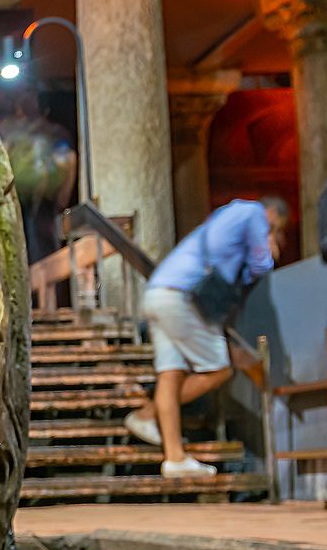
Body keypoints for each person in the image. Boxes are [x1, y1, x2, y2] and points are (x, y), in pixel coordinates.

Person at [124, 195, 290, 478]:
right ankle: (146, 414)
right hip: (183, 298)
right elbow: (262, 263)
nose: (276, 236)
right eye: (277, 229)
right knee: (220, 369)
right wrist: (268, 249)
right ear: (272, 213)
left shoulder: (225, 214)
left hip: (158, 292)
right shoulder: (251, 213)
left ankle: (174, 458)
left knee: (171, 372)